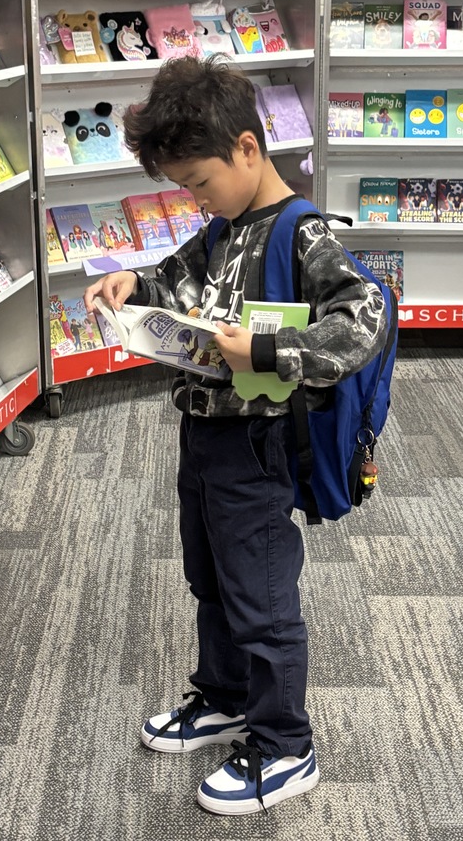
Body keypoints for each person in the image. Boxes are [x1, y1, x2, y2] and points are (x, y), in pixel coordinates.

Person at [83, 55, 388, 816]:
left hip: (258, 448)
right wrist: (136, 289)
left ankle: (287, 746)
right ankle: (222, 698)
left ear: (248, 149)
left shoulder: (299, 231)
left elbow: (366, 319)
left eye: (199, 181)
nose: (196, 199)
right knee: (210, 579)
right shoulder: (224, 224)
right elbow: (175, 279)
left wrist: (268, 352)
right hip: (205, 438)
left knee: (260, 597)